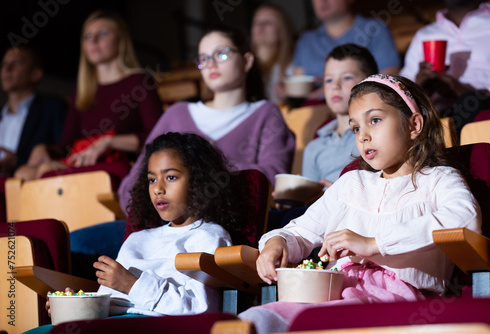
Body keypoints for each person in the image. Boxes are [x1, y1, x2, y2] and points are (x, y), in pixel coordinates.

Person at [238, 74, 481, 334]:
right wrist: (277, 243)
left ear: (414, 125)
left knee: (316, 324)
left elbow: (465, 218)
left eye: (374, 120)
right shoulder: (351, 183)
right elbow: (300, 231)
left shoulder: (438, 179)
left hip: (398, 301)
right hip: (331, 292)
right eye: (355, 128)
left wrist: (372, 243)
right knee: (254, 320)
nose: (363, 135)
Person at [33, 132, 249, 332]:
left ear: (199, 181)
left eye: (171, 177)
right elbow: (114, 303)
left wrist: (132, 284)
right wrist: (77, 306)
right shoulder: (137, 239)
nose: (158, 188)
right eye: (152, 179)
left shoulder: (209, 236)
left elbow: (201, 309)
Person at [118, 25, 295, 214]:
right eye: (203, 58)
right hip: (164, 227)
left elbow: (273, 178)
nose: (210, 63)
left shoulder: (265, 113)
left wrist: (197, 173)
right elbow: (131, 187)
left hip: (231, 224)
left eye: (221, 54)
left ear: (246, 61)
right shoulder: (176, 113)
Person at [14, 10, 163, 180]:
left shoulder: (139, 81)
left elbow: (158, 136)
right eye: (87, 36)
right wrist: (45, 149)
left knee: (46, 172)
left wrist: (109, 142)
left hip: (121, 165)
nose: (93, 41)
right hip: (84, 164)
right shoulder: (83, 90)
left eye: (103, 33)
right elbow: (66, 145)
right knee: (22, 173)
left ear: (120, 41)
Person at [399, 0, 490, 135]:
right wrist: (419, 89)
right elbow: (398, 96)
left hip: (488, 111)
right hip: (435, 115)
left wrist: (464, 91)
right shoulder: (424, 35)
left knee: (468, 102)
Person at [302, 43, 378, 188]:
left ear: (370, 81)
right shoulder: (314, 147)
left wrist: (338, 194)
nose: (335, 86)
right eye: (329, 80)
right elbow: (308, 199)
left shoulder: (375, 133)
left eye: (347, 78)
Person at [292, 0, 401, 100]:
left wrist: (328, 90)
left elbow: (389, 77)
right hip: (311, 111)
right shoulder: (306, 40)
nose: (322, 1)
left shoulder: (374, 28)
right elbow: (296, 81)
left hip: (361, 107)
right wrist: (283, 90)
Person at [0, 45, 67, 175]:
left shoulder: (53, 108)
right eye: (4, 64)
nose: (7, 69)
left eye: (17, 63)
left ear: (35, 74)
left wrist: (17, 161)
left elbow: (64, 152)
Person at [251, 3, 295, 104]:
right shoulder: (242, 64)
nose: (260, 27)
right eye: (256, 22)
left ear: (282, 30)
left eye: (268, 22)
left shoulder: (291, 66)